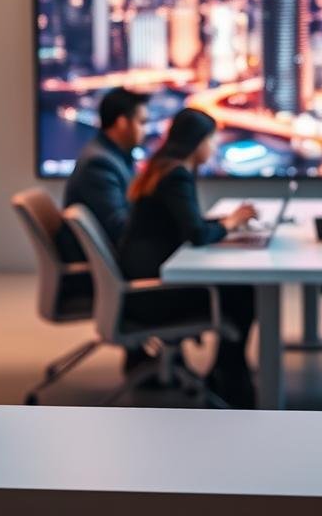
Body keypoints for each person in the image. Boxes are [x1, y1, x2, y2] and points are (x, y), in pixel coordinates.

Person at [118, 108, 259, 407]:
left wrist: (224, 223)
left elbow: (186, 225)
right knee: (242, 293)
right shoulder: (177, 175)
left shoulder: (162, 169)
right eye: (212, 140)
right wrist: (230, 224)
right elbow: (196, 234)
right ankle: (230, 375)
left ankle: (227, 371)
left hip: (143, 282)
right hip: (153, 293)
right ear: (196, 142)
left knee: (239, 289)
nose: (215, 147)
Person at [61, 88, 151, 254]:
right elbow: (119, 228)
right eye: (142, 122)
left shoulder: (114, 155)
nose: (146, 130)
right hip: (99, 258)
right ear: (122, 123)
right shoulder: (99, 164)